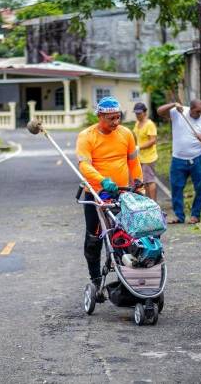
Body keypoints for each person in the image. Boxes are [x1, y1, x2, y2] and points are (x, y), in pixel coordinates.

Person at [76, 96, 143, 288]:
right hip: (97, 196)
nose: (116, 122)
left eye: (118, 117)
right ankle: (96, 280)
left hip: (122, 195)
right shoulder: (86, 136)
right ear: (99, 116)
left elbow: (133, 162)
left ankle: (129, 281)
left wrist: (139, 187)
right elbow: (84, 166)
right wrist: (102, 181)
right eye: (111, 118)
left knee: (127, 238)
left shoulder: (126, 134)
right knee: (94, 239)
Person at [157, 99, 201, 225]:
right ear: (191, 109)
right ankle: (179, 216)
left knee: (200, 188)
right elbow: (159, 111)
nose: (200, 114)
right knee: (176, 188)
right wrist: (173, 104)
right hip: (178, 159)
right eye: (198, 111)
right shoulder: (179, 112)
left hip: (198, 158)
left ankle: (195, 215)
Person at [132, 102, 158, 201]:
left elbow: (153, 140)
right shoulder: (137, 123)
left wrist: (139, 147)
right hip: (140, 157)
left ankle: (154, 203)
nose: (138, 115)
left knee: (150, 181)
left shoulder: (149, 124)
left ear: (145, 112)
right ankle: (149, 201)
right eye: (136, 113)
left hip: (149, 157)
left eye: (139, 113)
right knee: (144, 181)